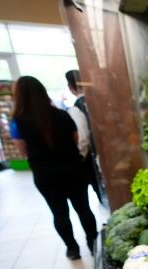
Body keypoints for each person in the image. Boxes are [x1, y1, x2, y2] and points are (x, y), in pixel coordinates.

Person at [10, 76, 97, 260]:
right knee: (83, 209)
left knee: (59, 213)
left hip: (45, 175)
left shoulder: (18, 123)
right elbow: (76, 139)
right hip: (73, 170)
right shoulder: (62, 115)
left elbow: (23, 151)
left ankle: (72, 249)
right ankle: (93, 244)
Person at [65, 70, 102, 203]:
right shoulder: (100, 101)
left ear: (70, 87)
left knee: (101, 189)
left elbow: (83, 141)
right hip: (108, 154)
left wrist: (80, 159)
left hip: (92, 160)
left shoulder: (76, 109)